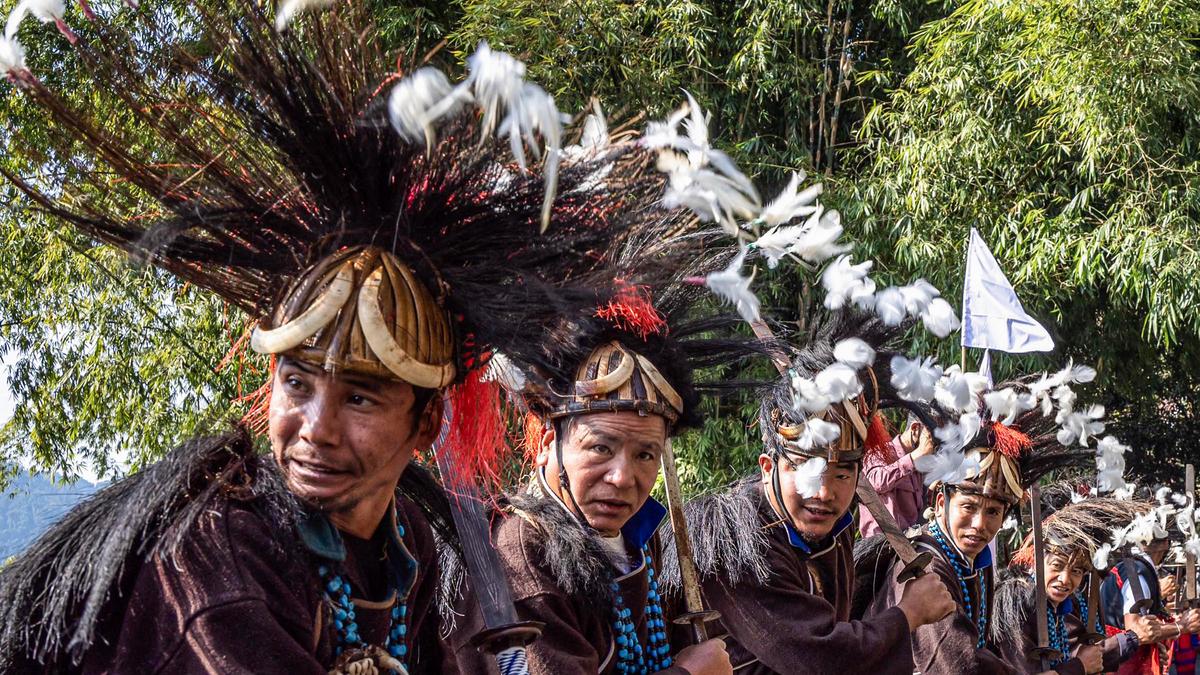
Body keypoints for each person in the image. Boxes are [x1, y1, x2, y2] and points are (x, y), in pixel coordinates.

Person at [0, 6, 664, 672]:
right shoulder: (217, 555)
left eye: (361, 399)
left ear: (426, 418)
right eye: (297, 382)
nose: (315, 427)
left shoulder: (407, 545)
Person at [447, 280, 752, 675]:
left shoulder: (637, 533)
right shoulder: (522, 556)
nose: (623, 477)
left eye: (645, 454)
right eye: (600, 448)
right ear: (545, 441)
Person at [668, 311, 956, 674]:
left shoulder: (834, 526)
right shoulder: (737, 543)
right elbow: (819, 658)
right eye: (806, 468)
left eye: (842, 472)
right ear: (768, 466)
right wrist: (907, 614)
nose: (823, 492)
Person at [857, 375, 1098, 675]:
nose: (979, 524)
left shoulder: (976, 565)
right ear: (942, 504)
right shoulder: (927, 567)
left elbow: (978, 652)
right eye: (968, 507)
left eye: (994, 511)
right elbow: (962, 666)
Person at [992, 496, 1166, 675]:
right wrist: (1080, 666)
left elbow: (1084, 654)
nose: (1065, 579)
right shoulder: (1017, 604)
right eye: (1057, 566)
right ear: (1036, 561)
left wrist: (1136, 643)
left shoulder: (1065, 604)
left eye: (1076, 571)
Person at [1101, 531, 1200, 674]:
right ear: (1166, 543)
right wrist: (1182, 626)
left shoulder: (1131, 567)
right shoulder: (1137, 572)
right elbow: (1137, 631)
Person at [859, 416, 936, 537]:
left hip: (910, 545)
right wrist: (915, 456)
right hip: (881, 546)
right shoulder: (880, 452)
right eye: (932, 438)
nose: (934, 446)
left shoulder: (919, 465)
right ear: (915, 429)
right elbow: (874, 483)